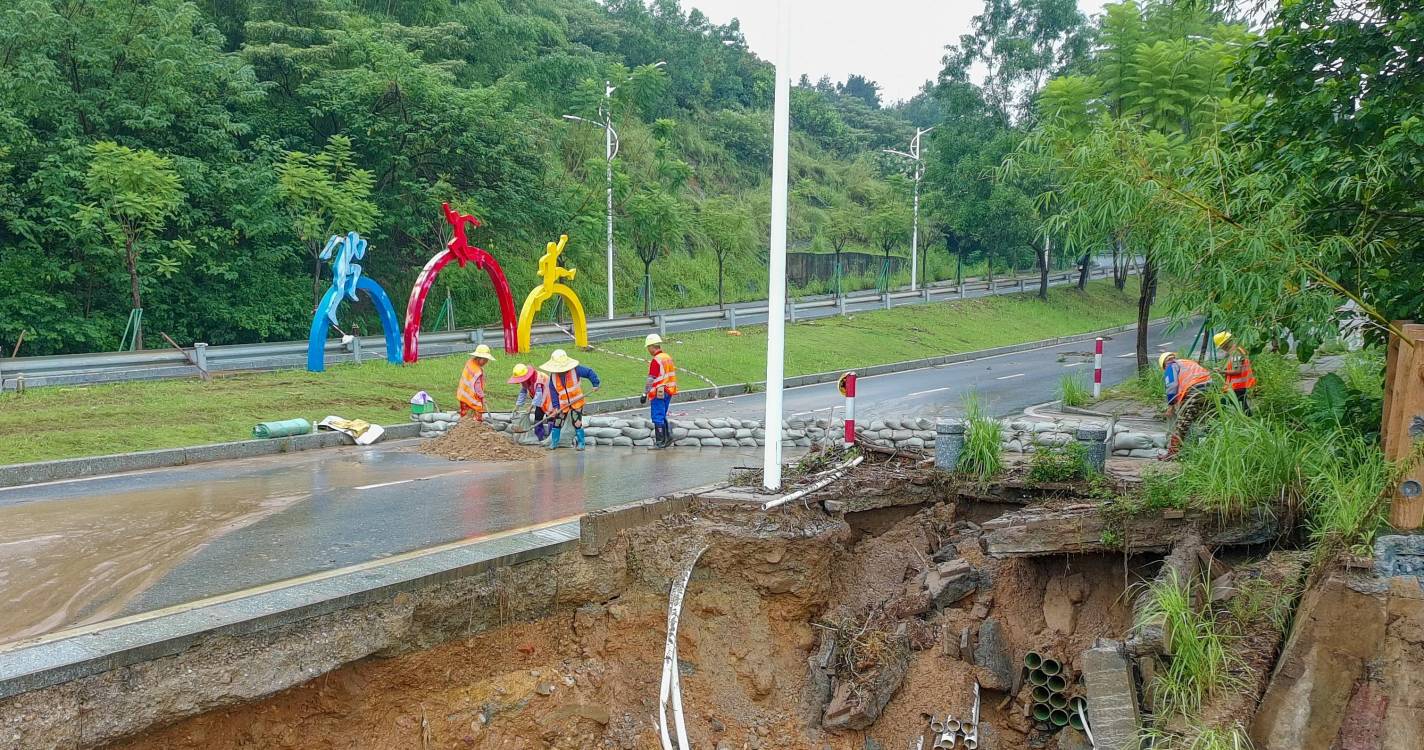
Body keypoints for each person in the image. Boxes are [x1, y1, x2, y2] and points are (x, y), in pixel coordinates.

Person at [537, 349, 600, 451]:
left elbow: (589, 372)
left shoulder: (576, 370)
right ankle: (554, 443)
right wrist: (556, 407)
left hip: (576, 402)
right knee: (557, 422)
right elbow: (553, 393)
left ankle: (581, 443)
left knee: (577, 422)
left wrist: (595, 384)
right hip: (563, 404)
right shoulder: (553, 377)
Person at [1159, 351, 1213, 459]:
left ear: (1164, 365)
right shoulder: (1187, 362)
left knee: (1182, 424)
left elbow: (1171, 386)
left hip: (1195, 391)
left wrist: (1171, 405)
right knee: (1206, 421)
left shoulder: (1171, 366)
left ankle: (1172, 453)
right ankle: (1209, 448)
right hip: (1211, 391)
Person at [641, 334, 678, 449]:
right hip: (669, 390)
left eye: (648, 348)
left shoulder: (656, 360)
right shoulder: (667, 357)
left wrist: (644, 393)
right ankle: (668, 437)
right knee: (662, 414)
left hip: (659, 392)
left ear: (652, 347)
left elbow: (651, 379)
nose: (648, 350)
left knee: (657, 416)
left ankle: (660, 442)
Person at [1213, 331, 1256, 415]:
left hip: (1238, 385)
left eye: (1221, 346)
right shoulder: (1237, 350)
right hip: (1240, 385)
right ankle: (1248, 419)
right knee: (1242, 404)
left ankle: (1218, 419)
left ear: (1225, 344)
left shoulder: (1235, 353)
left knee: (1223, 402)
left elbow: (1237, 371)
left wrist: (1222, 371)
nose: (1222, 348)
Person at [508, 363, 550, 442]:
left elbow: (538, 395)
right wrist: (517, 406)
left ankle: (551, 438)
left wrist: (530, 407)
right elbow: (523, 392)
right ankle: (539, 438)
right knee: (538, 417)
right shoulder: (526, 381)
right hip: (540, 402)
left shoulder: (538, 379)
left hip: (549, 400)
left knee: (551, 418)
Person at [456, 344, 496, 420]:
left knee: (465, 416)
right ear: (479, 358)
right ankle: (476, 428)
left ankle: (464, 428)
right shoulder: (477, 371)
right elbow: (477, 387)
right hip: (471, 397)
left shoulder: (470, 362)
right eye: (485, 360)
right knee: (477, 414)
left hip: (463, 395)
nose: (486, 362)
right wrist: (482, 397)